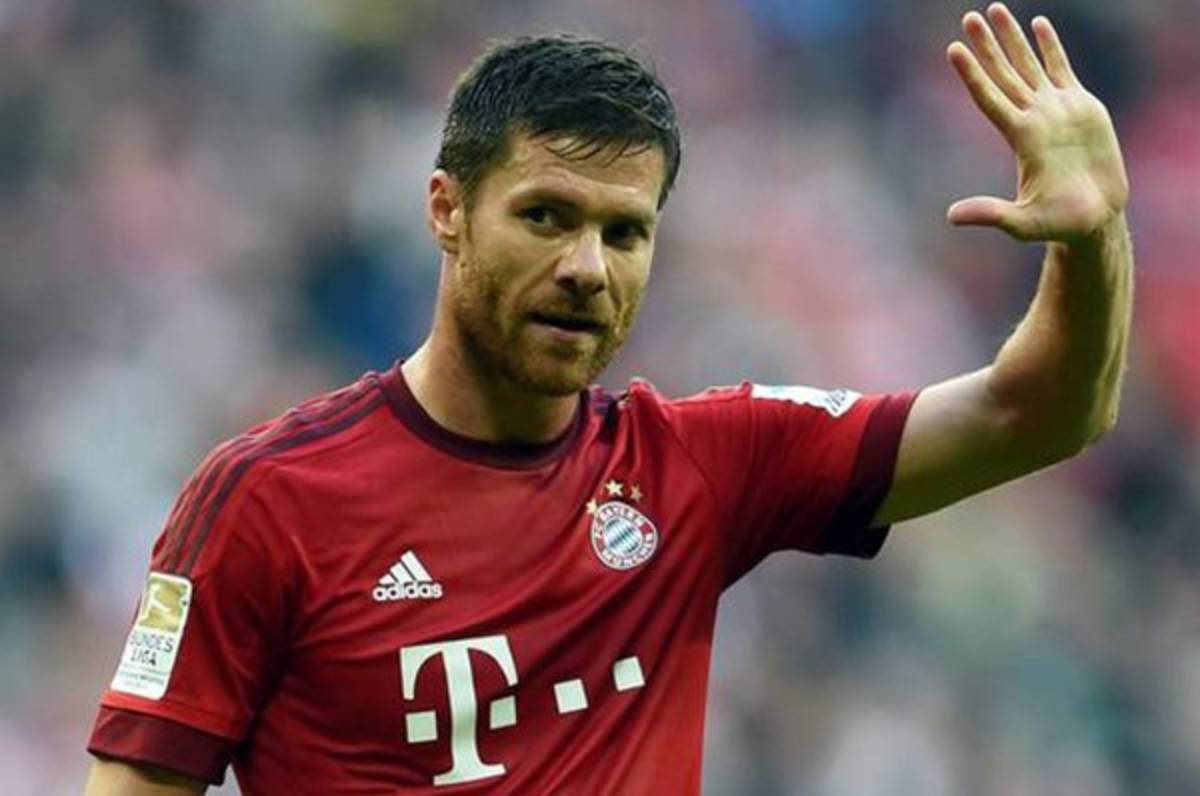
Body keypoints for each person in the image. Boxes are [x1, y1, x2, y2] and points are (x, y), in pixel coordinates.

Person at [83, 4, 1132, 793]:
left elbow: (1038, 414)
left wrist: (1092, 239)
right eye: (546, 215)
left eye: (625, 232)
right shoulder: (268, 498)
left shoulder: (699, 465)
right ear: (447, 210)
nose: (588, 267)